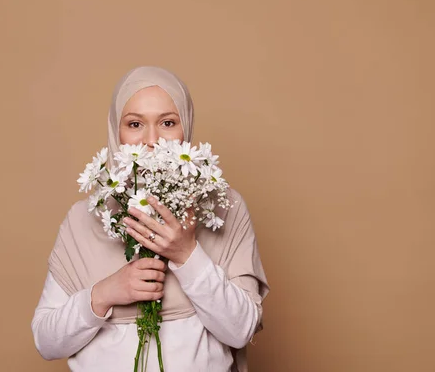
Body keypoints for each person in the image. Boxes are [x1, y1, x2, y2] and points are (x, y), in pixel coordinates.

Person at [31, 66, 270, 372]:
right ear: (116, 132)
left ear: (187, 128)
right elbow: (46, 342)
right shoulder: (84, 219)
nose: (152, 139)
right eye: (134, 124)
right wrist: (104, 293)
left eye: (168, 122)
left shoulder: (226, 208)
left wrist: (187, 255)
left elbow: (240, 331)